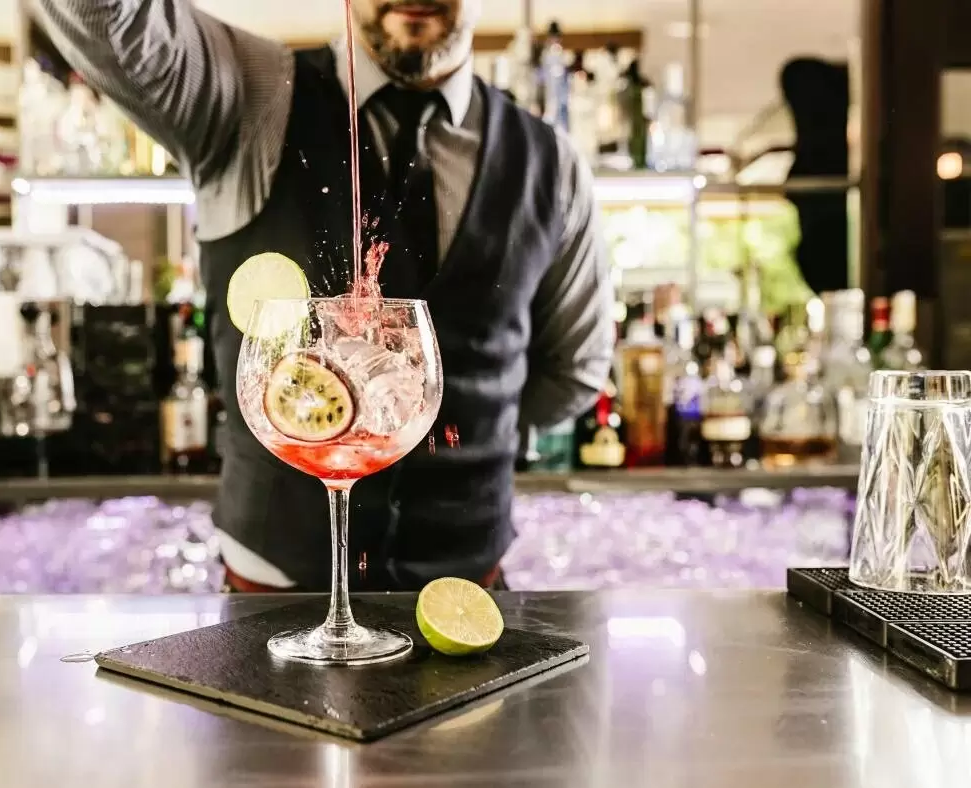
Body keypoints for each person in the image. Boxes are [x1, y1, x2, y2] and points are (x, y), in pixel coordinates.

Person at [35, 0, 614, 592]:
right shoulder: (249, 95)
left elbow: (576, 367)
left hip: (464, 593)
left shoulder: (551, 165)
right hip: (277, 592)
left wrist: (473, 428)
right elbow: (102, 18)